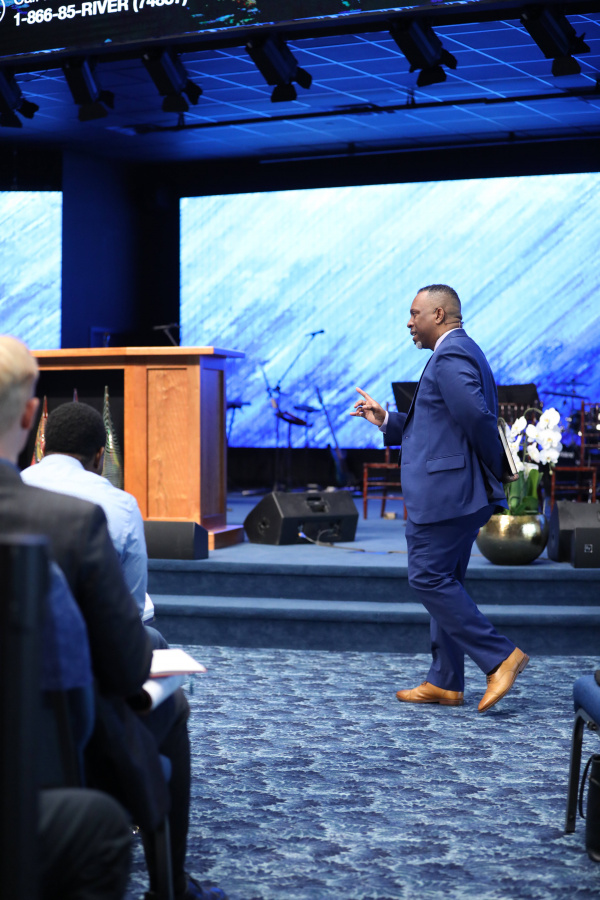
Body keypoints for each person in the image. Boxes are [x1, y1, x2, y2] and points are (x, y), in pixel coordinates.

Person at [0, 335, 227, 900]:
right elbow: (126, 651)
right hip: (55, 721)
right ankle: (168, 887)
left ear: (44, 436)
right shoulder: (85, 516)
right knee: (168, 700)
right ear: (29, 417)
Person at [352, 284, 529, 712]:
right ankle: (445, 681)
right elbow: (439, 426)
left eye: (415, 314)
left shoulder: (450, 356)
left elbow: (477, 419)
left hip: (448, 494)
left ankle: (500, 657)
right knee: (445, 580)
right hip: (456, 492)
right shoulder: (458, 352)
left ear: (439, 314)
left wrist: (498, 468)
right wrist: (387, 421)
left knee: (427, 578)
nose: (409, 322)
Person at [22, 401, 152, 621]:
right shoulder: (122, 505)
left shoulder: (12, 487)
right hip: (91, 637)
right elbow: (132, 607)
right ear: (100, 455)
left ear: (43, 448)